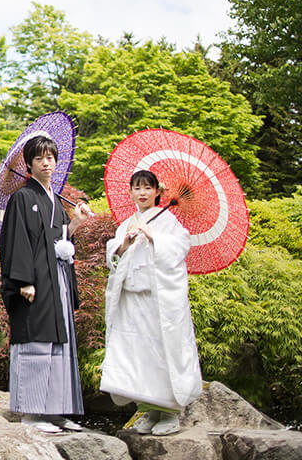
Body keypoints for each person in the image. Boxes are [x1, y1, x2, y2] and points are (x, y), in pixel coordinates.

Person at [0, 133, 93, 433]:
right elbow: (16, 242)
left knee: (59, 342)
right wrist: (24, 280)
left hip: (58, 280)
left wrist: (74, 222)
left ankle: (55, 410)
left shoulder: (53, 199)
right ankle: (31, 411)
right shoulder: (22, 198)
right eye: (39, 158)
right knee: (37, 341)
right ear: (29, 163)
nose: (46, 162)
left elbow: (58, 239)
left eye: (50, 157)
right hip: (34, 283)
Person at [100, 169, 203, 436]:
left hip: (156, 300)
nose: (142, 192)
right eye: (137, 188)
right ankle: (147, 409)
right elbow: (113, 256)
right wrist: (123, 244)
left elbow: (180, 247)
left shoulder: (168, 221)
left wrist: (155, 236)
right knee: (137, 355)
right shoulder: (126, 223)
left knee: (160, 353)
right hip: (131, 299)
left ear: (157, 192)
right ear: (131, 192)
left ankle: (169, 412)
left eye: (148, 187)